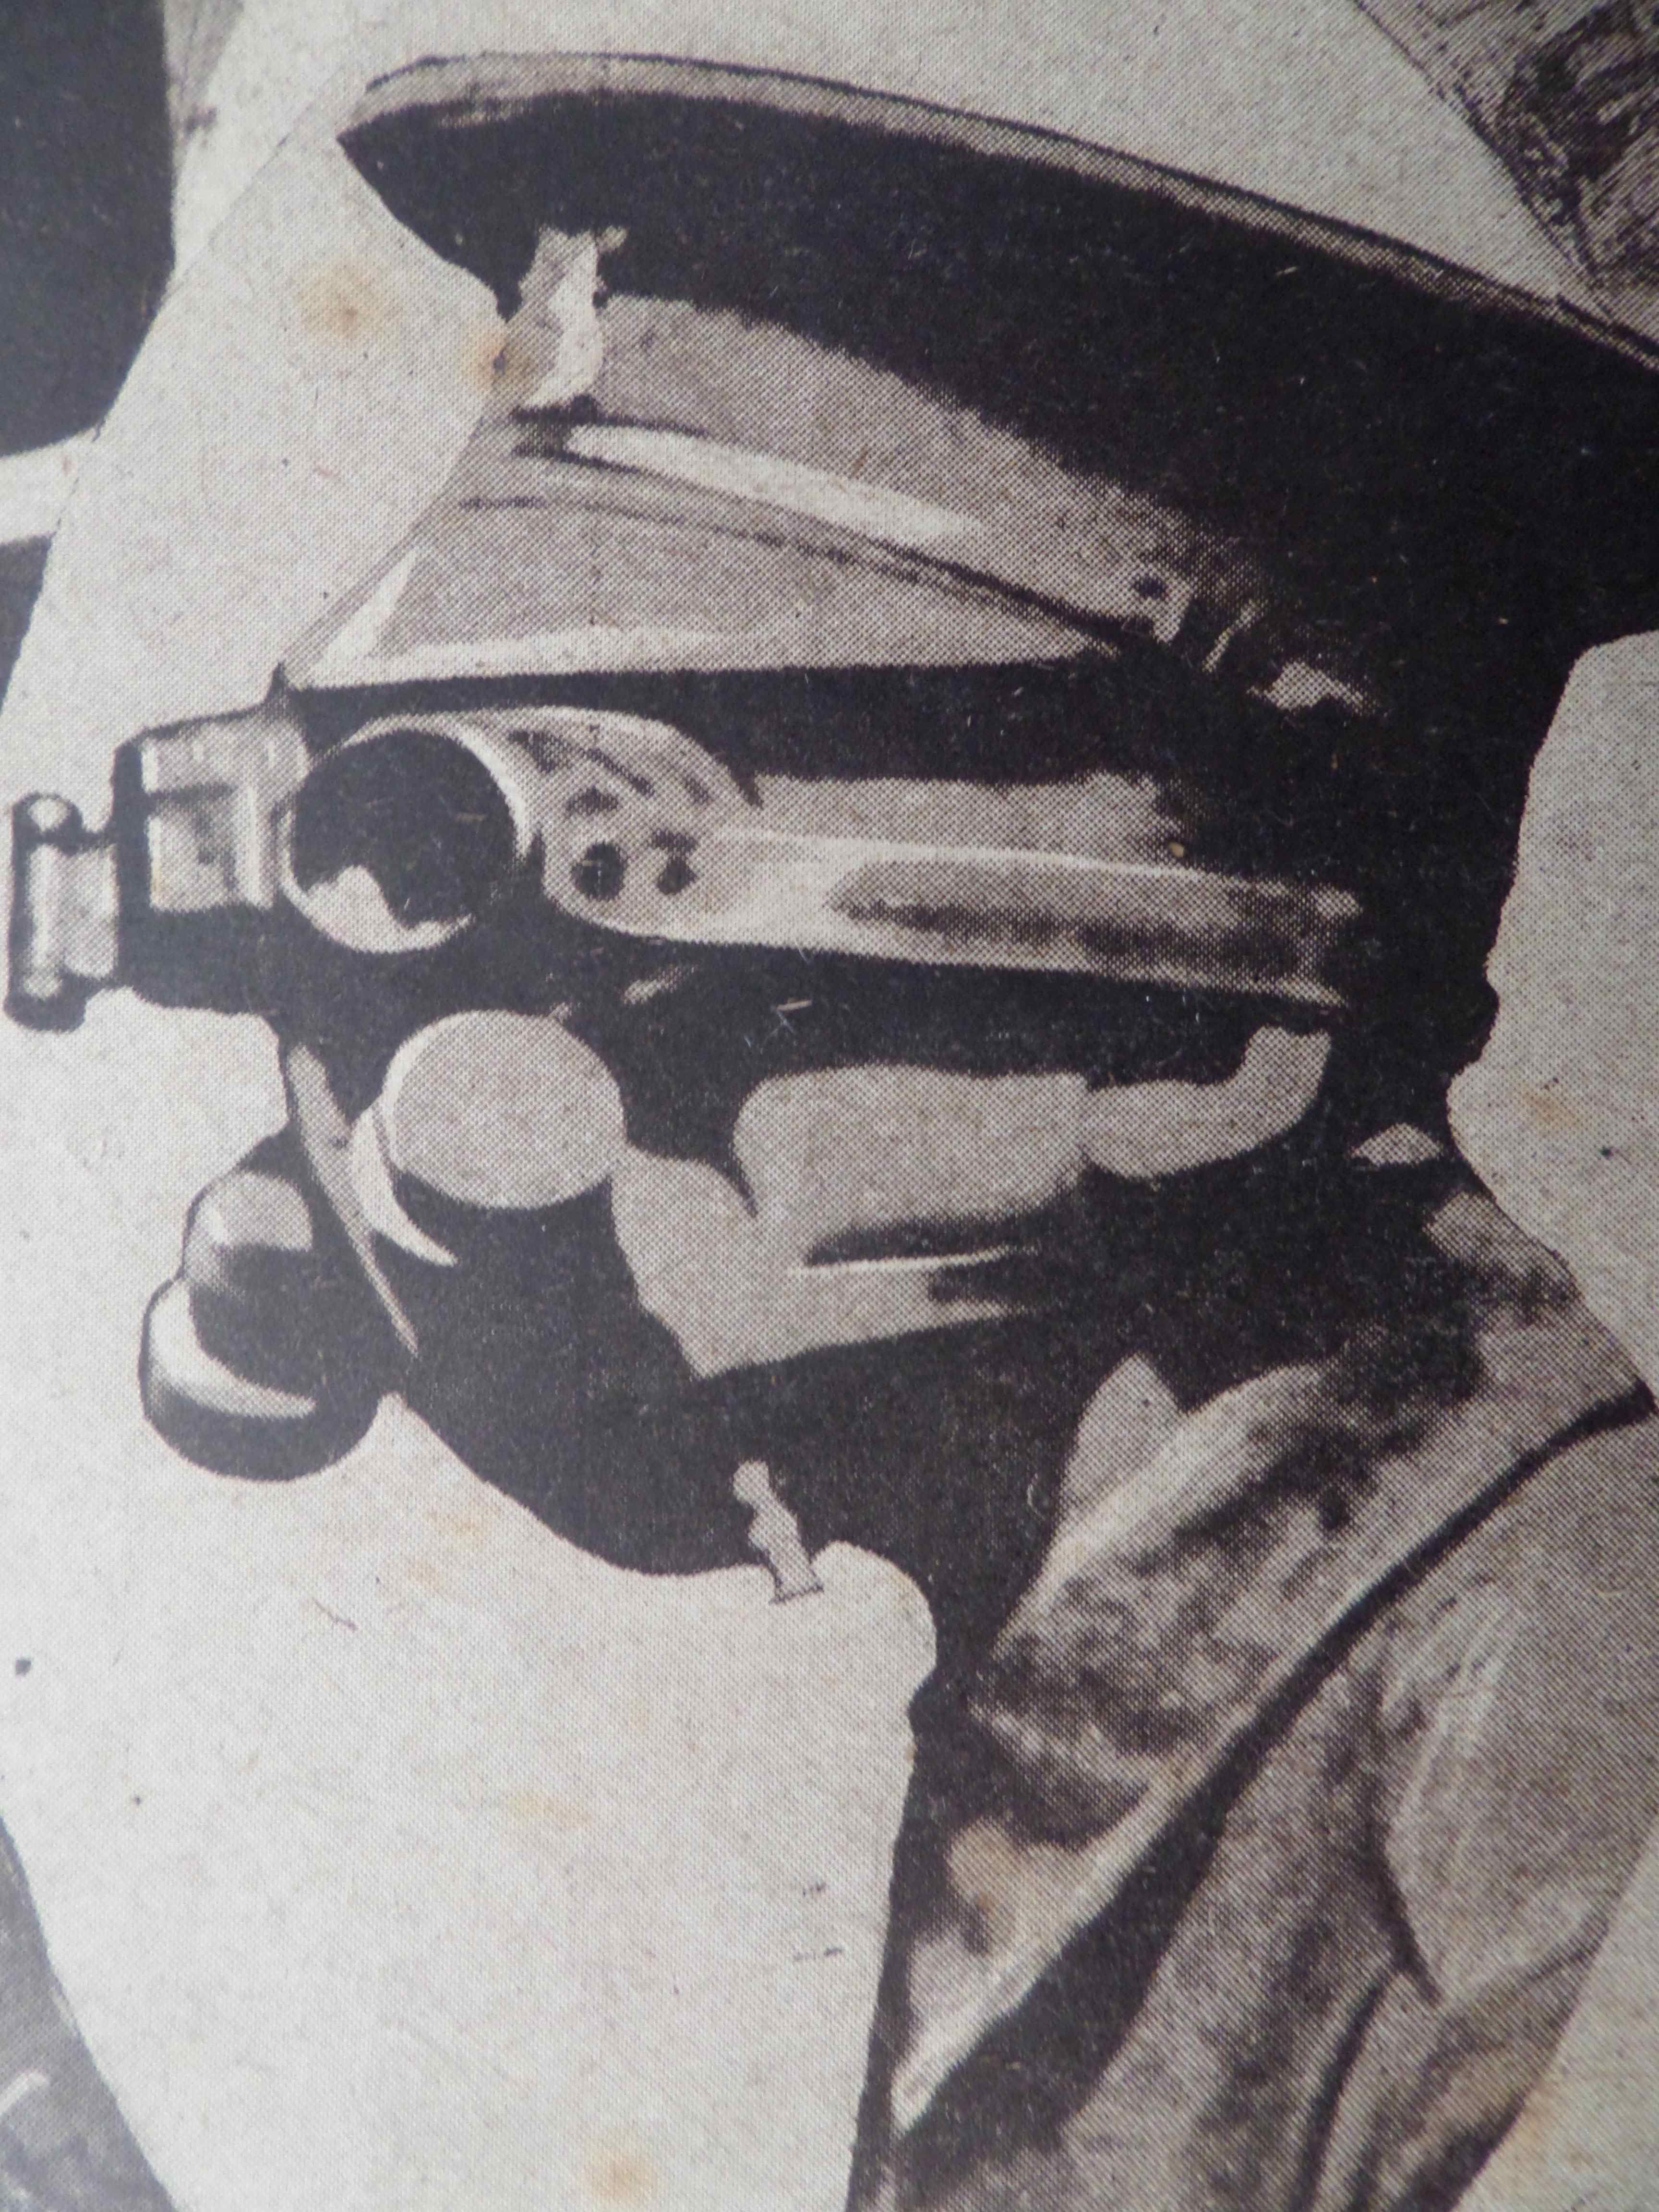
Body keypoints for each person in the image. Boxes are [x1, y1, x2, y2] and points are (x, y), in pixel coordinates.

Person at [13, 51, 1659, 2212]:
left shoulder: (1540, 1790)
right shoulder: (1165, 1704)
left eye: (625, 971)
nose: (409, 1119)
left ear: (1199, 1055)